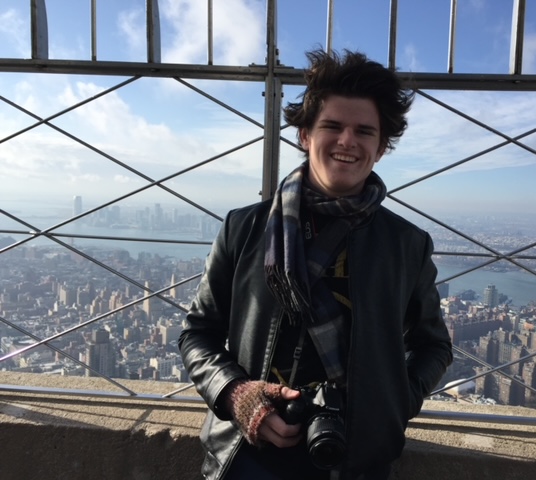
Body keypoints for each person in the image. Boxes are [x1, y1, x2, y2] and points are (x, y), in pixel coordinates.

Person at [179, 49, 453, 480]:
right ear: (304, 135)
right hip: (249, 451)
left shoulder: (406, 245)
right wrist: (236, 394)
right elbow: (198, 333)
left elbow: (434, 345)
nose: (347, 141)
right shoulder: (245, 229)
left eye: (365, 131)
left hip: (356, 454)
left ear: (381, 148)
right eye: (332, 126)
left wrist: (392, 403)